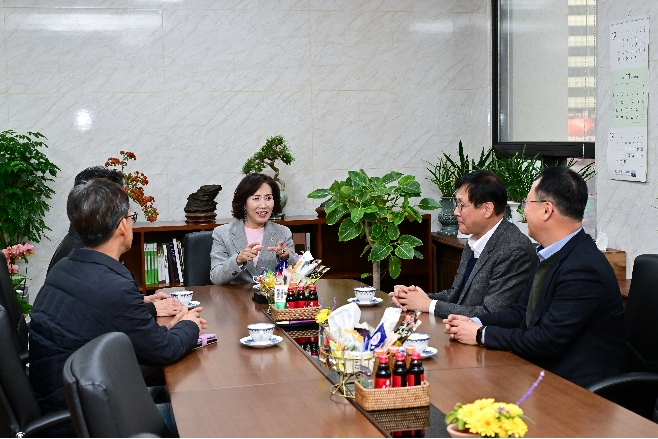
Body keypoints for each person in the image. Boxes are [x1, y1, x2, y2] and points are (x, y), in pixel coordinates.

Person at [29, 179, 207, 417]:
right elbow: (164, 351)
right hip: (85, 418)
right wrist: (189, 325)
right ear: (122, 226)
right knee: (195, 412)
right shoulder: (113, 287)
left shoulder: (65, 267)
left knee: (176, 387)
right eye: (131, 218)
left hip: (63, 398)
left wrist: (163, 330)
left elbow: (110, 320)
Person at [444, 167, 627, 388]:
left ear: (547, 210)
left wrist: (481, 334)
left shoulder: (583, 269)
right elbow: (522, 312)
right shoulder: (549, 252)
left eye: (526, 204)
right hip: (541, 373)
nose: (523, 212)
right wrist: (474, 322)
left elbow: (545, 340)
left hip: (578, 391)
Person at [390, 170, 536, 318]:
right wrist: (412, 298)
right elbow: (456, 296)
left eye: (461, 205)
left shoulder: (514, 249)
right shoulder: (475, 240)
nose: (455, 212)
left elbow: (491, 313)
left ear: (487, 209)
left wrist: (428, 305)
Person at [47, 165, 184, 318]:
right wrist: (151, 309)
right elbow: (88, 318)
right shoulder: (78, 253)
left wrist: (139, 301)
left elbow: (98, 301)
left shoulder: (81, 248)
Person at [210, 173, 299, 285]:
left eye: (268, 198)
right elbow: (216, 278)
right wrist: (237, 260)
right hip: (236, 299)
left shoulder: (283, 232)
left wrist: (286, 256)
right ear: (244, 203)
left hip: (271, 300)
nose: (263, 205)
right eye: (256, 198)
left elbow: (295, 276)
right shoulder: (222, 233)